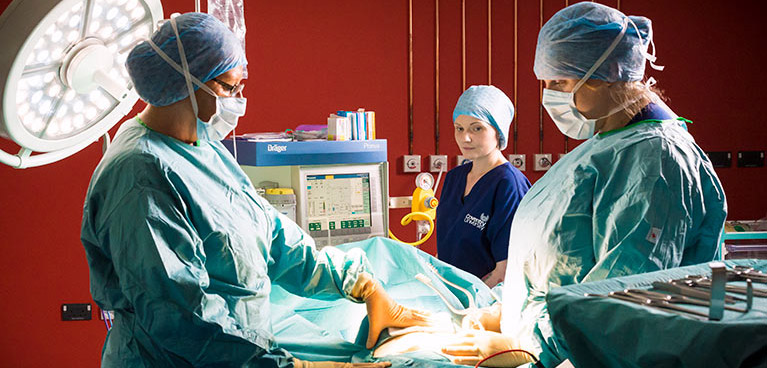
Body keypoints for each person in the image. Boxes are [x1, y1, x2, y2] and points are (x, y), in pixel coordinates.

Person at [80, 13, 427, 368]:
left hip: (242, 350)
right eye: (230, 88)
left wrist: (359, 283)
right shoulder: (140, 174)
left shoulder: (204, 147)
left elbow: (270, 232)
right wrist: (289, 366)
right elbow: (180, 314)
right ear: (188, 83)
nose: (239, 99)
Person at [439, 3, 727, 367]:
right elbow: (560, 263)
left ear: (607, 75)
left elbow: (623, 295)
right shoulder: (603, 147)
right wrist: (507, 314)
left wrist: (524, 345)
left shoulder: (657, 162)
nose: (549, 95)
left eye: (559, 83)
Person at [436, 85, 531, 287]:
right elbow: (447, 249)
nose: (465, 138)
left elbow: (504, 271)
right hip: (447, 293)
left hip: (484, 305)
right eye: (459, 128)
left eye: (476, 128)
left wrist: (468, 303)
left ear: (499, 131)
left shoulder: (509, 185)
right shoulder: (454, 178)